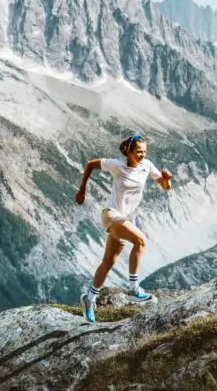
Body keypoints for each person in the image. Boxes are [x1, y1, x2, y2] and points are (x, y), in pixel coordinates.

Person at [74, 133, 173, 322]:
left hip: (124, 218)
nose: (142, 155)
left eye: (144, 151)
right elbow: (90, 164)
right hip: (111, 215)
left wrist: (166, 179)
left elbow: (165, 187)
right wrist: (82, 189)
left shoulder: (147, 166)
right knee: (140, 241)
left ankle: (89, 299)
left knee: (108, 261)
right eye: (138, 151)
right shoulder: (117, 164)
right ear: (128, 151)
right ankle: (134, 289)